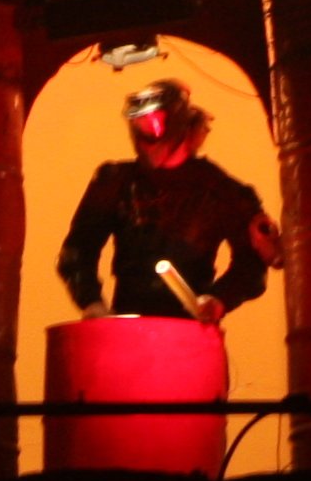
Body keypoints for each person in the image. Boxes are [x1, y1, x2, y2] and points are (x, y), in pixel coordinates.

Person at [56, 80, 278, 324]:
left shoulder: (219, 189)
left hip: (190, 331)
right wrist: (92, 304)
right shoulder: (115, 182)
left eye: (154, 122)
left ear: (179, 123)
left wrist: (218, 300)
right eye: (140, 122)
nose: (148, 133)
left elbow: (252, 265)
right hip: (127, 329)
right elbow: (77, 251)